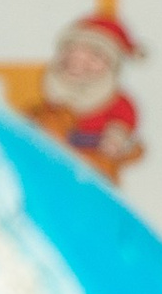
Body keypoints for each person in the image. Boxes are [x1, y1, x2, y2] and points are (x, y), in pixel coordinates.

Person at [30, 12, 144, 182]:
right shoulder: (48, 102)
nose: (79, 60)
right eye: (73, 51)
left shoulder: (117, 104)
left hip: (96, 171)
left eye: (94, 55)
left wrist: (116, 141)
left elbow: (124, 132)